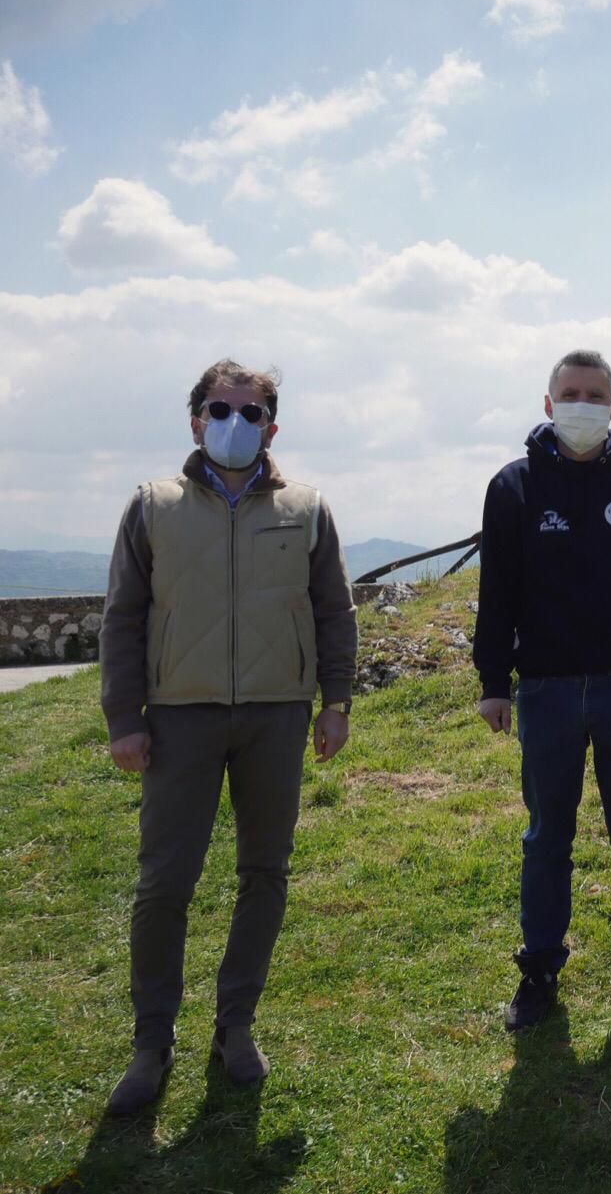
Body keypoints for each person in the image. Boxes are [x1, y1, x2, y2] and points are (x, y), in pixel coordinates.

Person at [98, 360, 357, 1114]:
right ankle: (151, 1043)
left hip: (277, 714)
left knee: (265, 874)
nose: (233, 422)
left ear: (272, 426)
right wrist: (123, 719)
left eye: (250, 411)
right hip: (179, 716)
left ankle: (235, 1025)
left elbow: (335, 610)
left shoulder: (307, 508)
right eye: (220, 408)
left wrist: (334, 702)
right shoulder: (153, 506)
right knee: (163, 884)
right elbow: (123, 617)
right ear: (195, 419)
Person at [473, 349, 611, 1030]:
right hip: (543, 689)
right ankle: (539, 969)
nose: (581, 404)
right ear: (547, 404)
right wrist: (494, 682)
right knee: (547, 837)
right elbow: (497, 595)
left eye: (594, 394)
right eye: (569, 392)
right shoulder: (512, 487)